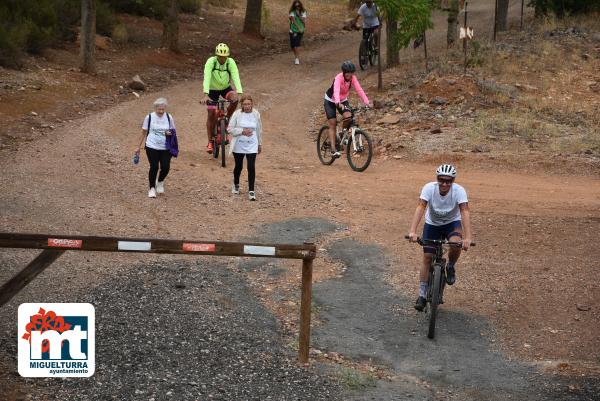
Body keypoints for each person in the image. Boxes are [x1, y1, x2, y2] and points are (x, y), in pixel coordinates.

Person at [407, 164, 473, 311]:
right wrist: (413, 231)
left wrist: (467, 237)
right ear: (437, 179)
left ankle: (450, 266)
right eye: (441, 180)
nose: (444, 183)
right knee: (427, 257)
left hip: (452, 224)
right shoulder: (429, 188)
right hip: (432, 224)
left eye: (448, 181)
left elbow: (465, 212)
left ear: (453, 181)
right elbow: (420, 207)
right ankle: (422, 295)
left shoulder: (459, 191)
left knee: (456, 244)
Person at [323, 61, 370, 158]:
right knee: (333, 122)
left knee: (348, 116)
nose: (350, 74)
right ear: (344, 72)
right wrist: (337, 103)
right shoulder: (338, 78)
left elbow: (359, 90)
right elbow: (336, 91)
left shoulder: (353, 78)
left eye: (351, 72)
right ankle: (333, 150)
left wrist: (367, 102)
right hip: (331, 100)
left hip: (343, 100)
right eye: (348, 72)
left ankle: (341, 136)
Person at [203, 43, 243, 154]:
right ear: (216, 55)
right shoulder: (211, 61)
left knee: (235, 99)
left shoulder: (230, 62)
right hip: (212, 90)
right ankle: (210, 141)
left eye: (224, 56)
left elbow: (235, 76)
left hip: (225, 88)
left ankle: (226, 121)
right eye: (220, 56)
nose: (222, 59)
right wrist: (206, 94)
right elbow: (206, 77)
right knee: (211, 114)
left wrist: (239, 92)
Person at [135, 98, 176, 198]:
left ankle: (160, 181)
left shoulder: (168, 117)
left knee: (166, 167)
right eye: (159, 110)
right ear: (155, 108)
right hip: (151, 146)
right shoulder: (149, 117)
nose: (161, 112)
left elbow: (173, 131)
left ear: (165, 108)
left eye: (163, 109)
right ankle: (152, 188)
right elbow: (143, 132)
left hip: (166, 147)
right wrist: (138, 147)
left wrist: (170, 134)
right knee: (154, 167)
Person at [227, 94, 263, 201]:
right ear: (241, 105)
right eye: (245, 104)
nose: (247, 106)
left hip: (252, 144)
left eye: (249, 104)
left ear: (252, 104)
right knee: (239, 166)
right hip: (239, 144)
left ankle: (251, 191)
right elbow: (229, 129)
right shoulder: (237, 114)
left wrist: (259, 144)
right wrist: (242, 131)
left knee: (251, 166)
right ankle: (236, 184)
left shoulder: (256, 114)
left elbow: (259, 130)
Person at [288, 1, 307, 65]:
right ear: (294, 6)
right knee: (292, 45)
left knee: (297, 44)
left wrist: (299, 15)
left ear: (300, 6)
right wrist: (298, 28)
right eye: (296, 6)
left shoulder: (303, 12)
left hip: (301, 30)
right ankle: (296, 55)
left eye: (298, 6)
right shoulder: (292, 12)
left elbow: (304, 21)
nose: (297, 7)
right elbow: (293, 21)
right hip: (292, 30)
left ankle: (297, 58)